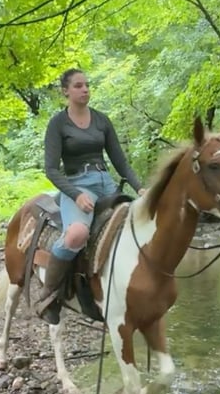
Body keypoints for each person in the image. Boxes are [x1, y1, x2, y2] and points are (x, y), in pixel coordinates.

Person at [35, 68, 145, 324]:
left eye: (87, 85)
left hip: (106, 184)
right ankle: (49, 295)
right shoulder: (58, 124)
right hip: (77, 185)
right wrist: (74, 195)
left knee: (139, 223)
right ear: (66, 91)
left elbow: (120, 161)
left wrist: (140, 188)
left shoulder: (101, 120)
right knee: (77, 234)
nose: (85, 89)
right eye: (78, 86)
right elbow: (51, 169)